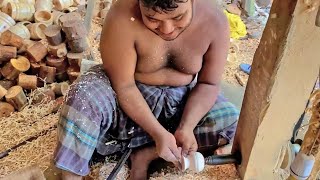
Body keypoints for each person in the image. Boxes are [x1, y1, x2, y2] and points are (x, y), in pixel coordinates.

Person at [53, 0, 240, 179]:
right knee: (81, 101)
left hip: (180, 104)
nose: (167, 29)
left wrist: (187, 126)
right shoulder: (121, 16)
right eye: (152, 19)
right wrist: (157, 133)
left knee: (229, 119)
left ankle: (146, 154)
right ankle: (72, 175)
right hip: (127, 102)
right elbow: (124, 87)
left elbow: (208, 84)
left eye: (178, 17)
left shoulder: (214, 20)